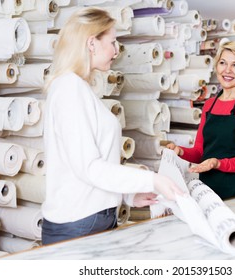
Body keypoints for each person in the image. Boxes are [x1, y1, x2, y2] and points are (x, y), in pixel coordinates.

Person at [41, 7, 183, 245]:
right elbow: (89, 168)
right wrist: (153, 180)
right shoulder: (69, 89)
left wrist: (128, 195)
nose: (116, 51)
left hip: (92, 219)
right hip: (78, 224)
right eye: (113, 42)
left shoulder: (79, 89)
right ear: (91, 43)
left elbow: (94, 162)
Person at [167, 41, 235, 199]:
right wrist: (180, 151)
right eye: (223, 63)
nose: (227, 70)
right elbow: (200, 152)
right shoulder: (210, 105)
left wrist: (217, 163)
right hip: (208, 190)